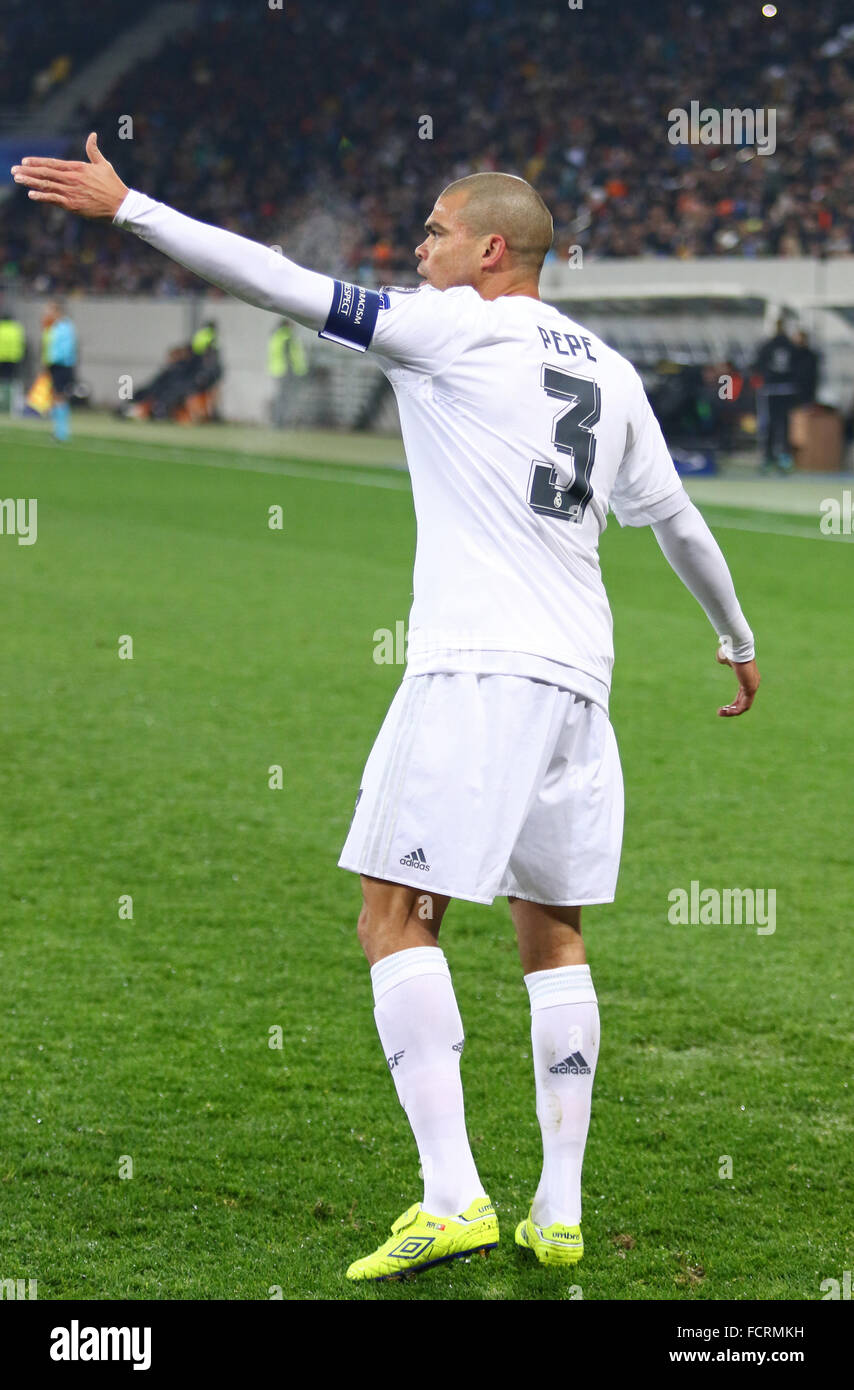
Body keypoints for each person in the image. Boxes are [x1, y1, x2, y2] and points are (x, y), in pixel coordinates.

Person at [12, 135, 760, 1282]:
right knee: (551, 932)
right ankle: (555, 1209)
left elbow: (276, 276)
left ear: (489, 249)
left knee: (391, 914)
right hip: (578, 683)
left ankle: (451, 1194)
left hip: (473, 670)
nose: (417, 250)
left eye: (433, 232)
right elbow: (678, 526)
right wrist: (735, 636)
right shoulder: (608, 371)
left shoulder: (447, 325)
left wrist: (132, 208)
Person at [753, 318, 798, 472]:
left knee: (770, 425)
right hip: (786, 390)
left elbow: (758, 365)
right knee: (784, 425)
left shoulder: (767, 346)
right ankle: (783, 458)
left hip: (771, 390)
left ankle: (769, 457)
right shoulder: (792, 347)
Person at [41, 298, 77, 442]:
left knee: (59, 397)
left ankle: (61, 432)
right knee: (57, 397)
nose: (46, 313)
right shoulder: (54, 327)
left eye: (49, 310)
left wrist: (53, 361)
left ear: (57, 311)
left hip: (62, 365)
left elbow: (64, 350)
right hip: (55, 365)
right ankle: (59, 431)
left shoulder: (65, 327)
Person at [268, 317, 308, 427]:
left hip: (278, 370)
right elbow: (289, 355)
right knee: (285, 398)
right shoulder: (287, 335)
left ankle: (278, 422)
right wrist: (294, 370)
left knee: (281, 397)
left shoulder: (277, 335)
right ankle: (281, 422)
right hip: (286, 371)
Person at [0, 303, 26, 412]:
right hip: (14, 359)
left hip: (1, 358)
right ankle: (15, 406)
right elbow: (22, 344)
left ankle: (2, 403)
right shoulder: (17, 328)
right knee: (14, 382)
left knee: (2, 382)